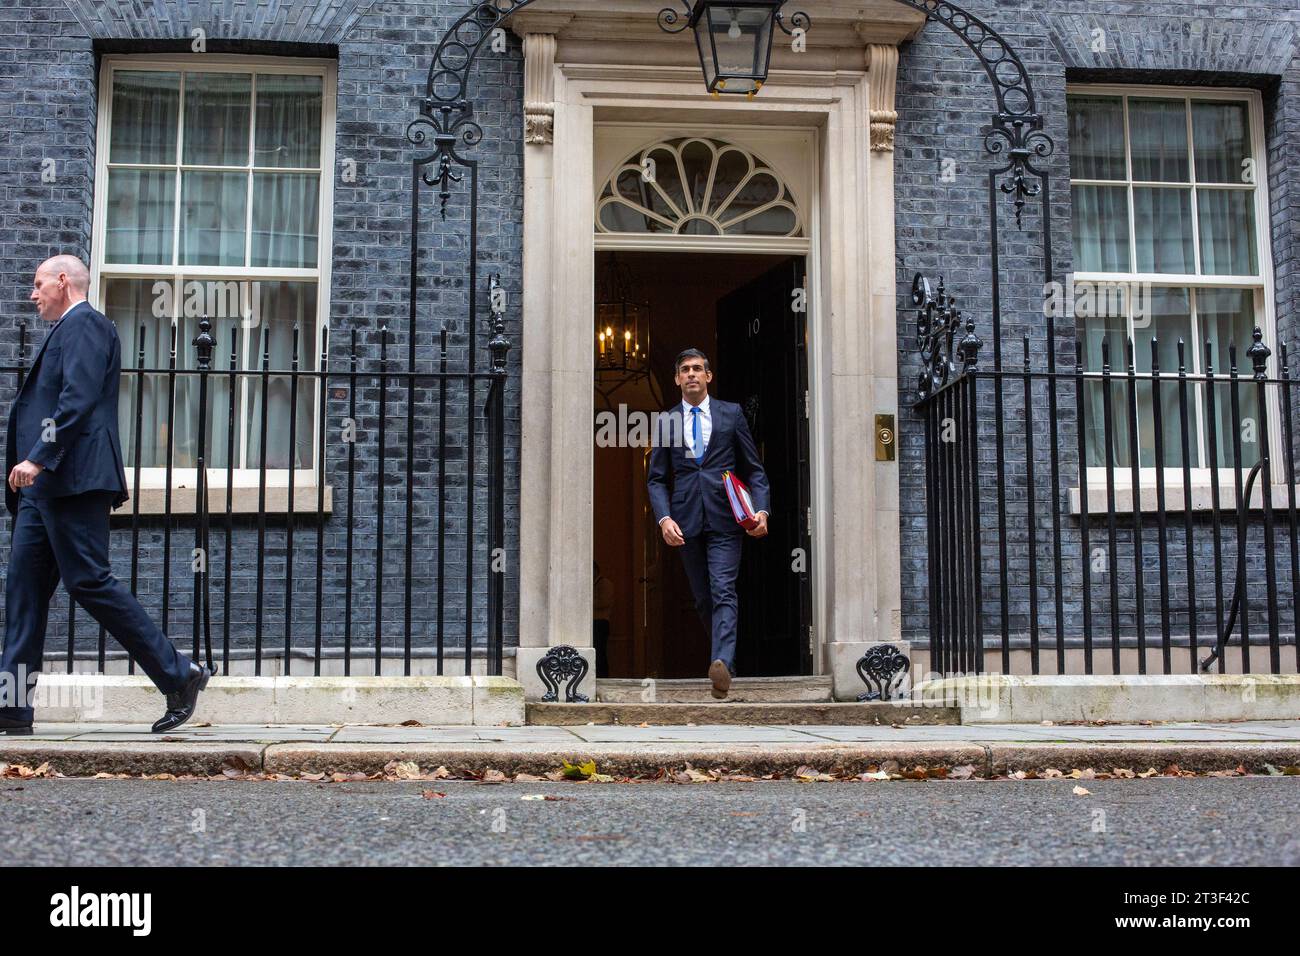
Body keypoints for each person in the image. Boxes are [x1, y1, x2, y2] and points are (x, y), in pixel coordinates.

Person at [0, 255, 211, 735]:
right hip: (44, 488)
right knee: (24, 594)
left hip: (70, 479)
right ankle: (11, 706)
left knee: (89, 581)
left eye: (37, 285)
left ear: (61, 281)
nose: (33, 295)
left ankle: (179, 675)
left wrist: (36, 457)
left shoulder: (86, 325)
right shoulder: (66, 330)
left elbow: (76, 399)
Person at [647, 348, 770, 699]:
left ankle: (721, 660)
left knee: (723, 589)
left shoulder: (731, 414)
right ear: (676, 379)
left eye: (697, 369)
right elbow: (656, 478)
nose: (691, 375)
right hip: (685, 521)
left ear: (708, 376)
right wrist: (664, 517)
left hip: (726, 518)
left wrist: (761, 510)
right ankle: (727, 663)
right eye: (684, 369)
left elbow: (754, 469)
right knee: (703, 598)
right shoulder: (667, 421)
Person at [593, 561, 614, 678]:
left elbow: (604, 602)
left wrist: (587, 601)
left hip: (600, 622)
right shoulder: (593, 584)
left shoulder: (605, 584)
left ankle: (602, 676)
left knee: (600, 651)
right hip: (593, 622)